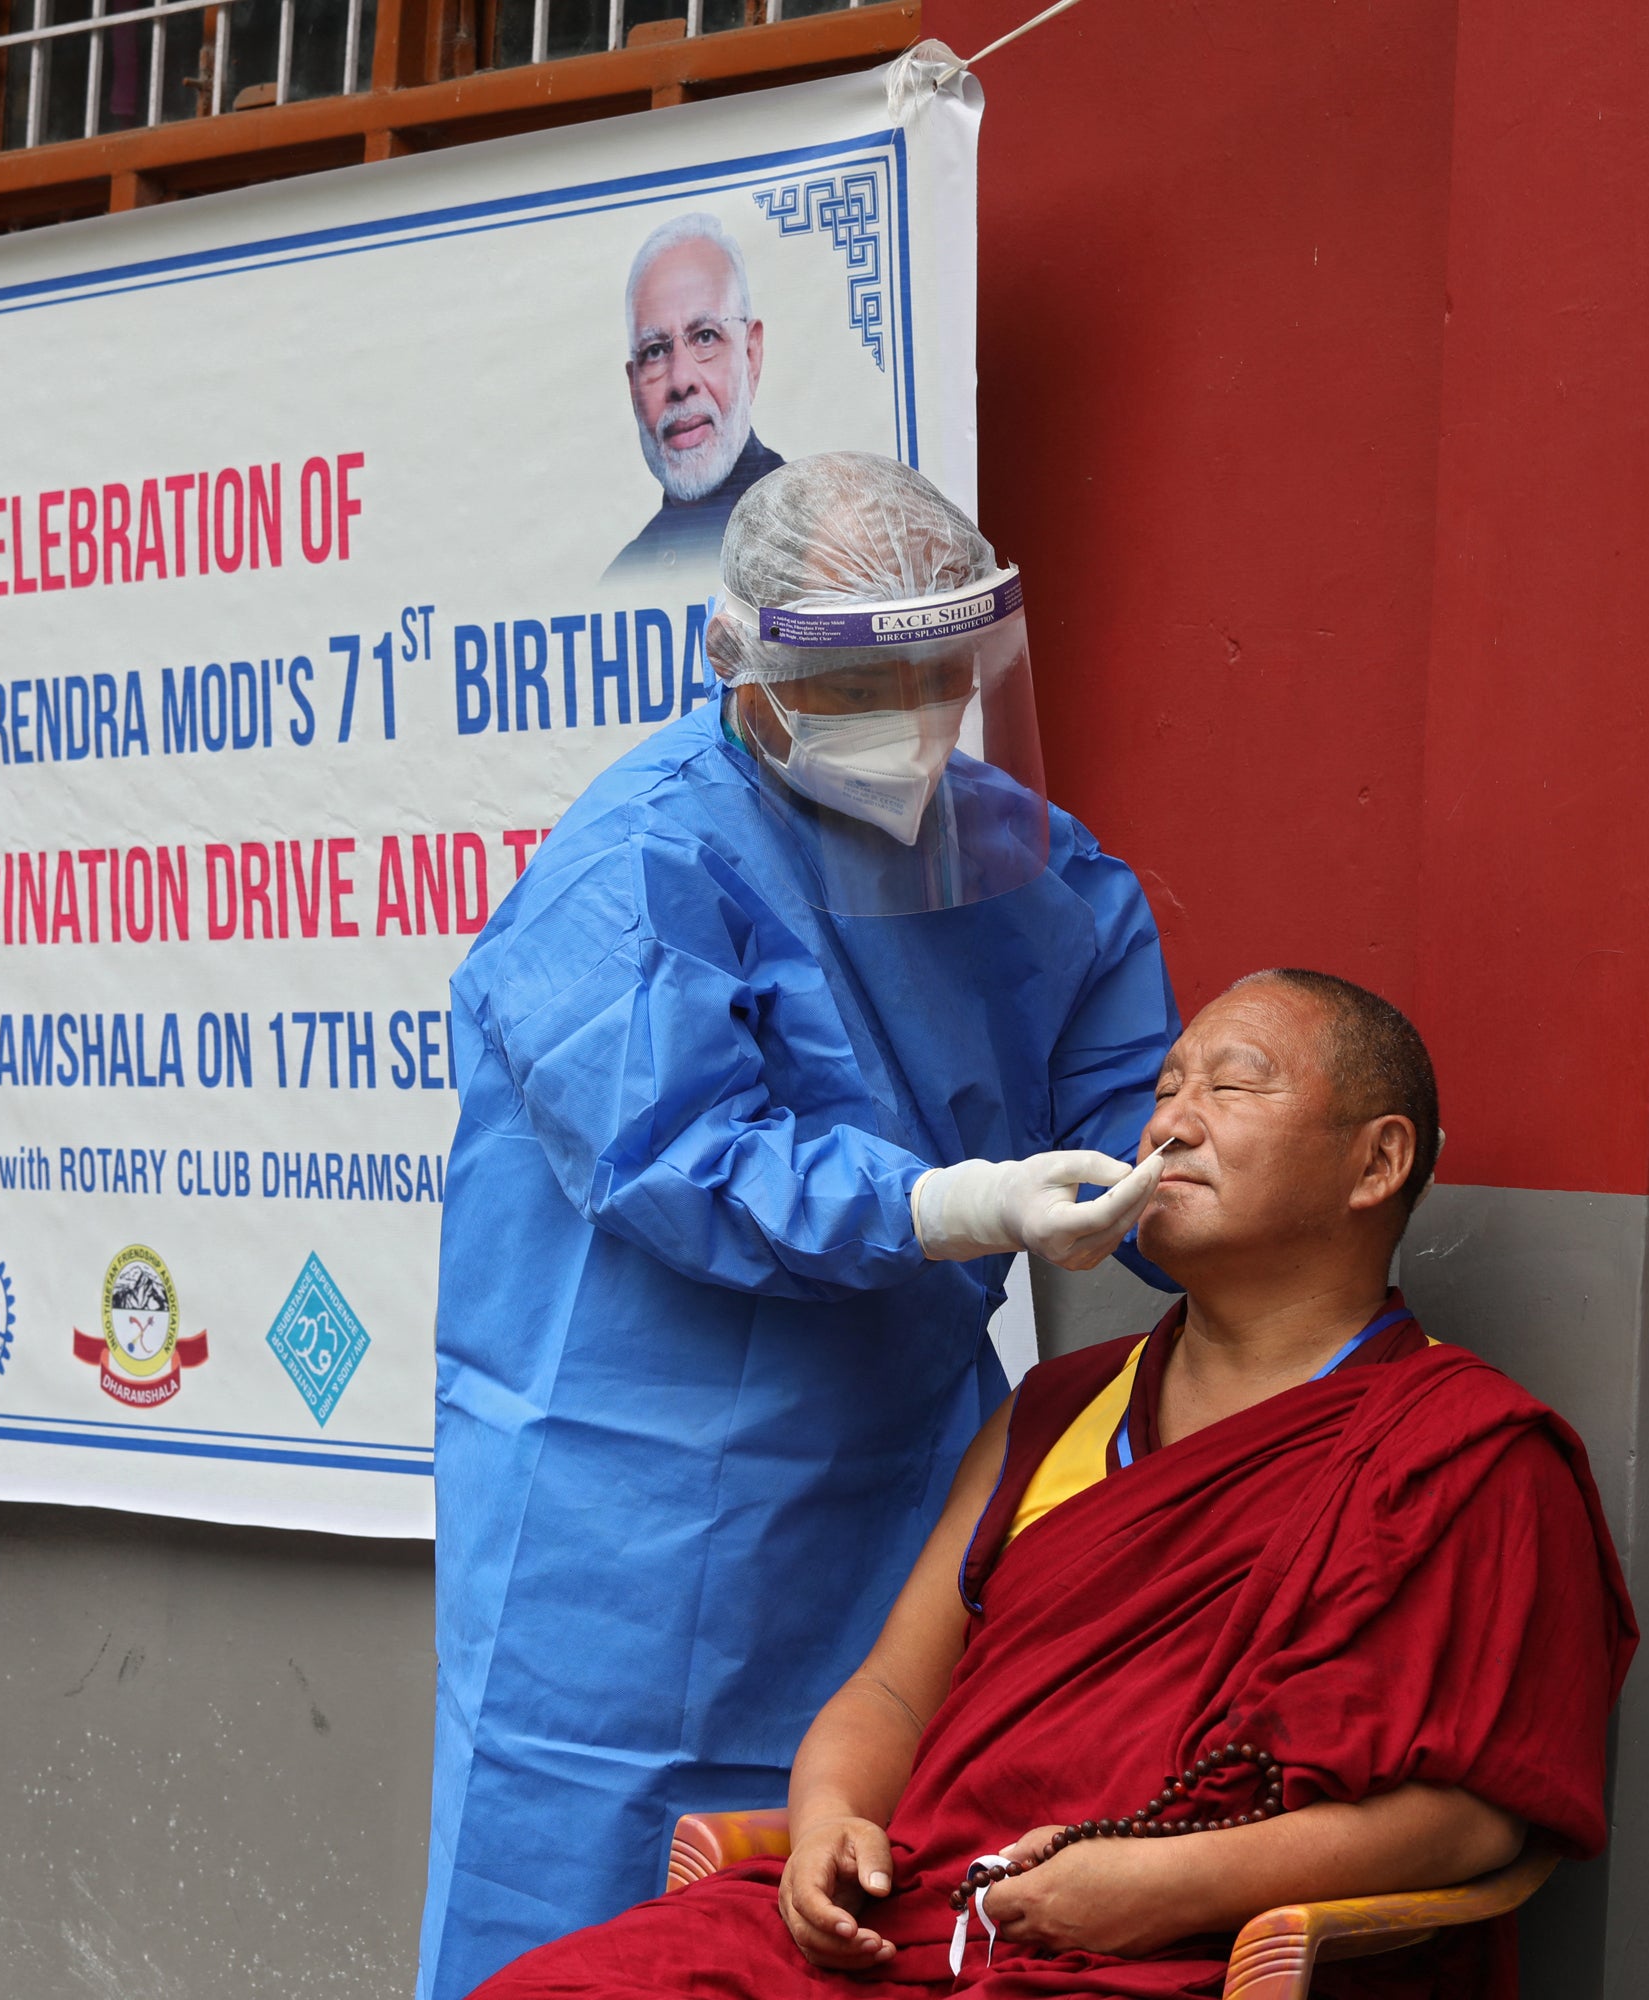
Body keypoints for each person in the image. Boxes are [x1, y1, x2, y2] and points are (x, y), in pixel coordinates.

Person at [469, 970, 1638, 2000]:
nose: (1172, 1122)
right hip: (920, 1920)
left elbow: (1479, 1810)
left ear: (1375, 1161)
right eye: (1167, 1086)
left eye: (1231, 1089)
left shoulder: (1468, 1451)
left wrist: (1156, 1884)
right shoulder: (1061, 1405)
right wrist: (829, 1819)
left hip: (1184, 1950)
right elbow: (889, 1693)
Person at [425, 452, 1185, 1995]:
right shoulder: (638, 862)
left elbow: (1129, 1109)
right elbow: (680, 1147)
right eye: (865, 684)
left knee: (853, 1891)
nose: (912, 723)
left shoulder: (1026, 868)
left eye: (941, 678)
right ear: (737, 662)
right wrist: (962, 1201)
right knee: (587, 1898)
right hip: (621, 1502)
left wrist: (1182, 1194)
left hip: (898, 1470)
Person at [604, 213, 784, 582]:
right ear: (632, 386)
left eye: (705, 337)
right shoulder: (622, 581)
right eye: (654, 351)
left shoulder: (816, 534)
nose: (680, 379)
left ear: (751, 355)